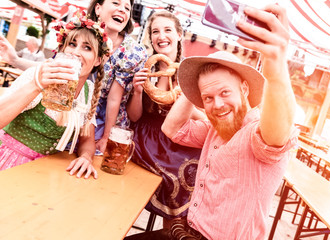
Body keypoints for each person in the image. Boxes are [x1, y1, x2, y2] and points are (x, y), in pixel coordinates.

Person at [160, 4, 298, 240]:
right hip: (189, 230)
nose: (218, 105)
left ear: (244, 88)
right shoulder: (215, 129)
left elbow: (277, 136)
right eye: (208, 99)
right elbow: (171, 129)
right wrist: (194, 88)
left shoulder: (258, 133)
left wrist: (276, 65)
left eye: (225, 93)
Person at [0, 12, 111, 179]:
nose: (76, 52)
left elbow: (87, 139)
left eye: (87, 47)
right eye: (72, 44)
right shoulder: (39, 75)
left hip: (44, 171)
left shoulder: (88, 91)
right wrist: (36, 85)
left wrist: (86, 157)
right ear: (62, 49)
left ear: (98, 60)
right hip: (8, 162)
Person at [125, 10, 205, 236]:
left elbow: (204, 115)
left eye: (168, 30)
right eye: (155, 31)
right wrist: (138, 90)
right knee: (128, 190)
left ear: (179, 34)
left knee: (185, 179)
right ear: (150, 38)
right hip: (145, 139)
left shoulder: (191, 73)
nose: (161, 36)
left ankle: (171, 233)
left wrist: (185, 104)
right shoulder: (145, 69)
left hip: (178, 142)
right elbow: (135, 117)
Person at [86, 0, 147, 154]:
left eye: (127, 8)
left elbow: (114, 99)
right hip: (77, 112)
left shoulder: (132, 52)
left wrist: (106, 137)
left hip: (108, 124)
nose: (122, 10)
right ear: (98, 8)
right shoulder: (82, 35)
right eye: (115, 3)